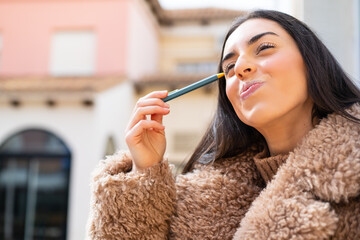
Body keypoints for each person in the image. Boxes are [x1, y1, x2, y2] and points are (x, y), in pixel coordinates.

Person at [87, 10, 360, 239]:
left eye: (264, 48)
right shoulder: (198, 203)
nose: (241, 68)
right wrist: (143, 169)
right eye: (229, 68)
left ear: (312, 62)